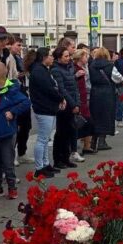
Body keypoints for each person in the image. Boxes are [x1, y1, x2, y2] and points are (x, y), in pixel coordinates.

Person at [0, 62, 31, 200]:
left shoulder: (12, 89)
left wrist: (13, 112)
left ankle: (12, 187)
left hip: (6, 132)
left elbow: (26, 103)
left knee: (7, 162)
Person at [26, 47, 63, 179]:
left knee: (46, 138)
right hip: (44, 109)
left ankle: (46, 164)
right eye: (50, 56)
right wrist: (60, 98)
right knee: (42, 139)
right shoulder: (38, 71)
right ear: (44, 57)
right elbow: (49, 89)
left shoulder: (42, 70)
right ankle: (39, 167)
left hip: (48, 108)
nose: (52, 58)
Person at [51, 46, 80, 168]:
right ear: (58, 58)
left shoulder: (69, 68)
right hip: (64, 105)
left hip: (72, 102)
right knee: (61, 133)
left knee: (69, 132)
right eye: (66, 56)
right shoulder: (56, 70)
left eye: (69, 56)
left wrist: (77, 103)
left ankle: (66, 158)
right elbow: (62, 89)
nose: (68, 58)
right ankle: (58, 160)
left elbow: (74, 86)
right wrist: (73, 104)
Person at [10, 37, 33, 165]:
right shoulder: (9, 58)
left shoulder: (18, 58)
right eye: (18, 45)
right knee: (16, 126)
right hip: (15, 94)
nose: (20, 48)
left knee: (26, 126)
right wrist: (18, 75)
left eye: (20, 45)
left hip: (23, 92)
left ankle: (22, 153)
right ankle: (12, 154)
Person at [89, 47, 117, 150]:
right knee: (106, 116)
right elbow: (117, 78)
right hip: (107, 93)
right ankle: (102, 141)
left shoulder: (91, 65)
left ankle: (93, 142)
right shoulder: (110, 65)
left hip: (95, 92)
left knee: (96, 116)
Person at [72, 49, 95, 156]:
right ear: (80, 57)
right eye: (85, 56)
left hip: (84, 98)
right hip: (79, 99)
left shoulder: (84, 67)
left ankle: (86, 146)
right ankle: (74, 149)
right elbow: (70, 83)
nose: (87, 58)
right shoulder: (74, 68)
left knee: (87, 123)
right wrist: (75, 76)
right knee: (80, 123)